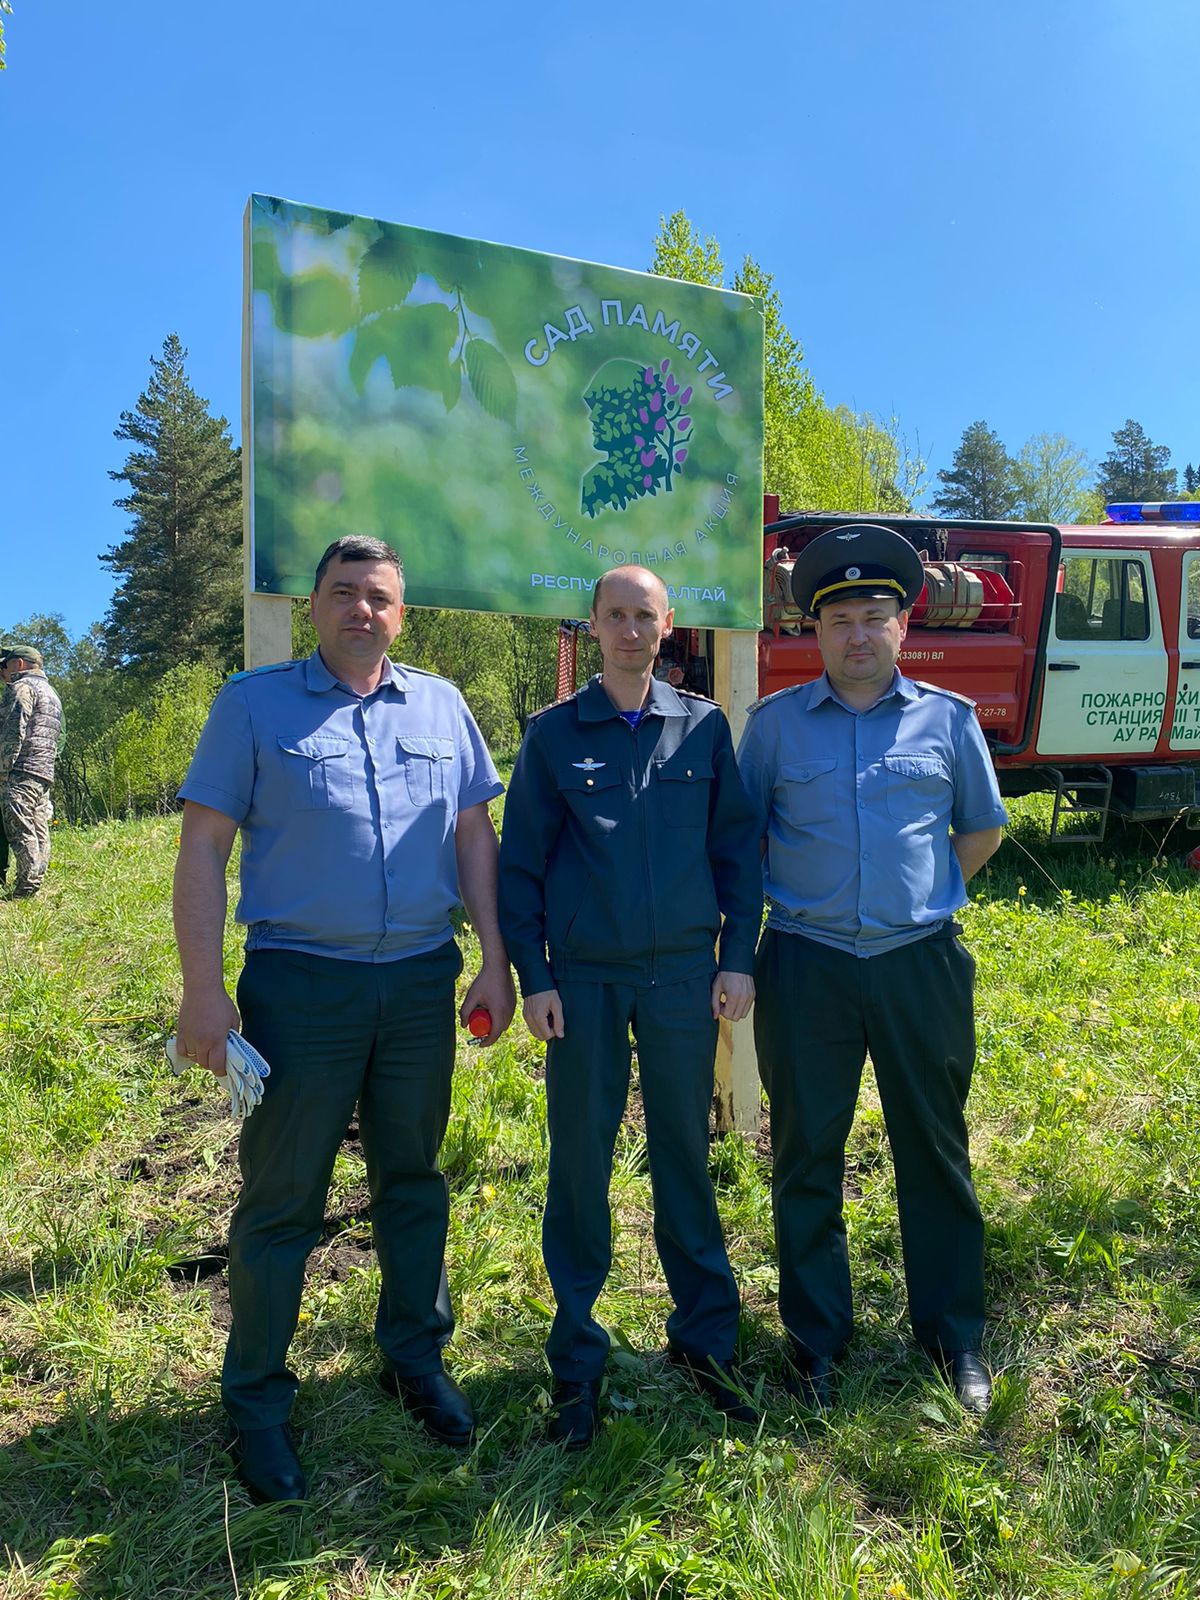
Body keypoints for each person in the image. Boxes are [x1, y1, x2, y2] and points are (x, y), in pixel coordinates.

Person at [172, 536, 515, 1504]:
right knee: (283, 1203)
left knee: (413, 1182)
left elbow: (473, 832)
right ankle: (256, 1401)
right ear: (315, 606)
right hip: (300, 987)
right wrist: (204, 987)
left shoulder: (443, 707)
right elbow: (203, 848)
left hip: (417, 982)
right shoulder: (253, 703)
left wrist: (493, 954)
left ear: (402, 612)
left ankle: (414, 1359)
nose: (362, 610)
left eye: (380, 597)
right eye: (344, 594)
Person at [736, 524, 1007, 1415]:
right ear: (816, 631)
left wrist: (917, 897)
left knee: (934, 1150)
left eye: (875, 615)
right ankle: (817, 1341)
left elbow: (980, 830)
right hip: (806, 966)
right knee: (806, 1152)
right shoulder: (774, 729)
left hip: (918, 964)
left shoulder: (948, 720)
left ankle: (953, 1336)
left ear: (903, 625)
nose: (858, 633)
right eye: (841, 617)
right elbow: (742, 845)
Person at [498, 564, 763, 1447]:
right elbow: (521, 868)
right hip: (584, 985)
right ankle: (576, 1366)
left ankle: (706, 1345)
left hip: (687, 980)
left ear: (667, 625)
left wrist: (737, 959)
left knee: (686, 1157)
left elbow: (738, 854)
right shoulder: (551, 735)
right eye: (614, 614)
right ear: (594, 623)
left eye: (643, 615)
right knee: (580, 1169)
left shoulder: (704, 728)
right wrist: (535, 976)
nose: (629, 629)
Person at [0, 644, 64, 899]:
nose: (2, 670)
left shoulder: (21, 688)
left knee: (20, 829)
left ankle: (25, 888)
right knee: (39, 829)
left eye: (4, 664)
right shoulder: (51, 692)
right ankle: (35, 882)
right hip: (42, 771)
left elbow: (13, 731)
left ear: (20, 664)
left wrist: (3, 770)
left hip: (19, 770)